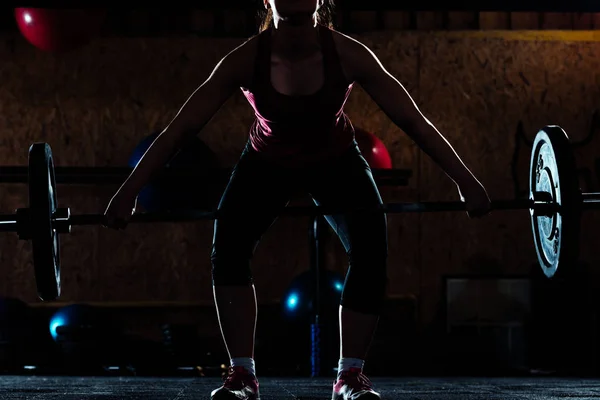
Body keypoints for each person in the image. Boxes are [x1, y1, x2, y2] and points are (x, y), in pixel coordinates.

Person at [104, 0, 492, 399]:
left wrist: (465, 181)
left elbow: (412, 120)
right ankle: (241, 377)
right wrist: (128, 191)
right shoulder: (243, 60)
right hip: (267, 161)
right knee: (229, 245)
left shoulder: (347, 53)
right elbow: (181, 129)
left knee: (371, 241)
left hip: (335, 159)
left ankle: (349, 377)